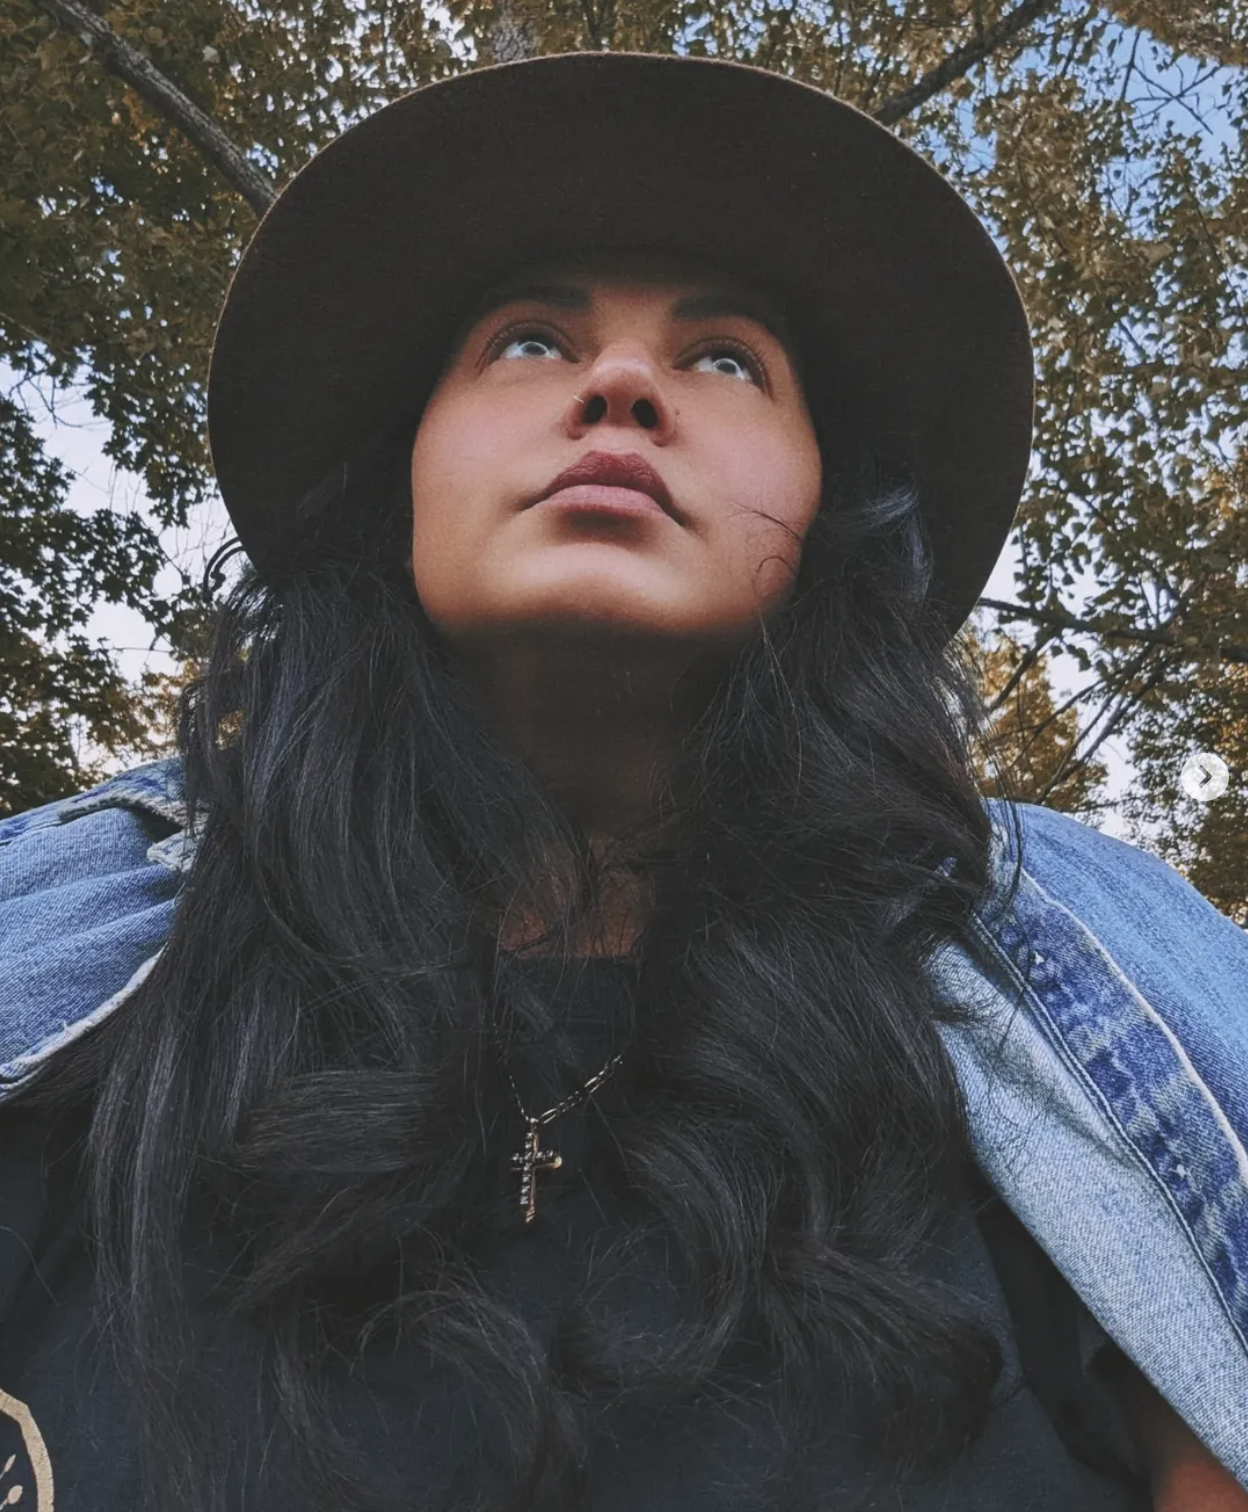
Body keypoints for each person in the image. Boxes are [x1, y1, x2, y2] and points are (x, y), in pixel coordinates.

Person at [0, 50, 1245, 1512]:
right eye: (528, 339)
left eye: (727, 360)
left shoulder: (1101, 1004)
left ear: (829, 514)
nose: (621, 384)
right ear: (398, 474)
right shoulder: (68, 951)